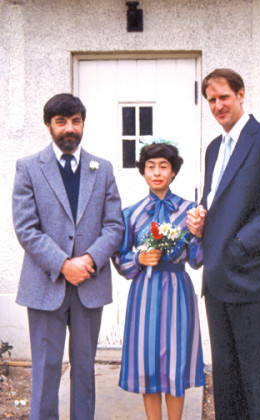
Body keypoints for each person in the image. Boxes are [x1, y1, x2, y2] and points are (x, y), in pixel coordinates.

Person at [187, 68, 260, 419]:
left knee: (259, 378)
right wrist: (201, 221)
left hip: (250, 278)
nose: (218, 105)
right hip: (217, 281)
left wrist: (241, 242)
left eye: (223, 97)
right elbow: (220, 202)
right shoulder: (213, 149)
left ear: (240, 95)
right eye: (211, 100)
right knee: (227, 378)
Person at [12, 93, 124, 420]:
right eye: (61, 122)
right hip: (45, 285)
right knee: (46, 372)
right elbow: (26, 227)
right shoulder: (29, 168)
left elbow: (115, 225)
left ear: (83, 123)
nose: (69, 128)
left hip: (89, 285)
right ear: (49, 125)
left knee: (85, 370)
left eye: (75, 121)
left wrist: (87, 261)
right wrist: (63, 264)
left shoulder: (101, 169)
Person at [112, 141, 205, 420]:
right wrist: (139, 260)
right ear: (142, 172)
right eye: (150, 166)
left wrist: (198, 233)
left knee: (175, 361)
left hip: (178, 291)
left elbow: (198, 260)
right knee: (147, 360)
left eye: (163, 166)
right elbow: (119, 257)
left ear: (173, 172)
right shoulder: (131, 214)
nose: (156, 172)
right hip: (145, 293)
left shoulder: (190, 211)